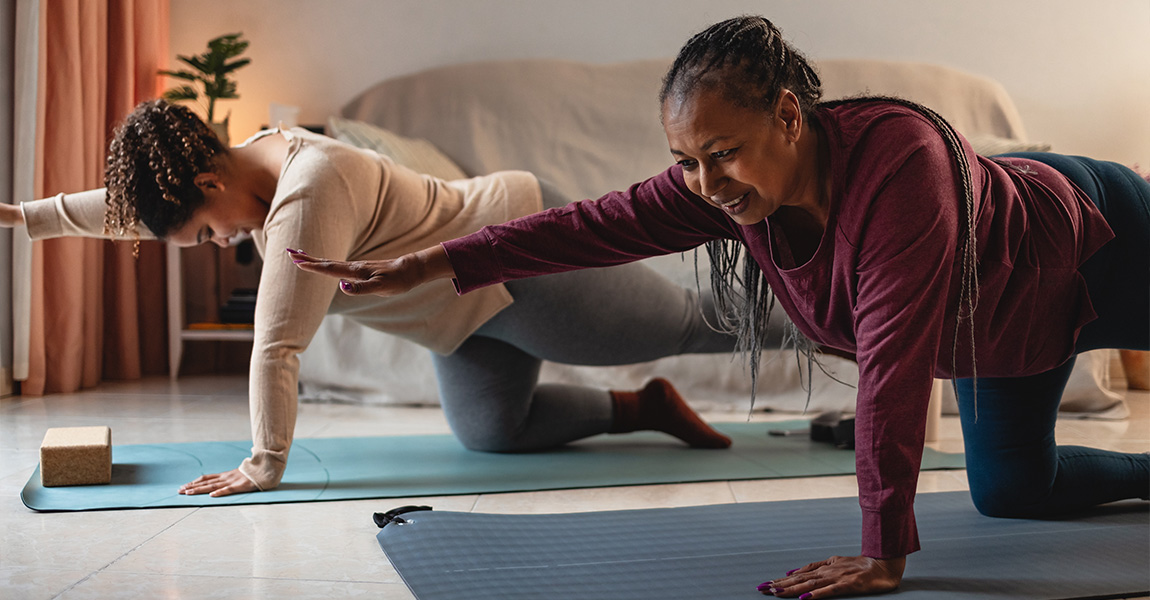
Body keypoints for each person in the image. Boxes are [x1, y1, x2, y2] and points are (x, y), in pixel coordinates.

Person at [293, 15, 1150, 599]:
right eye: (686, 160)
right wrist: (433, 262)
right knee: (1012, 491)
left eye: (722, 153)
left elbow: (892, 364)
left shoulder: (901, 167)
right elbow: (590, 226)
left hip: (1104, 239)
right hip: (1007, 320)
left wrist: (884, 550)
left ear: (787, 116)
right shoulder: (722, 187)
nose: (706, 184)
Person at [0, 99, 771, 499]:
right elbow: (134, 205)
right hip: (457, 316)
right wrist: (22, 219)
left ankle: (842, 318)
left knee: (701, 324)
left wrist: (265, 462)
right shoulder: (241, 168)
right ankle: (647, 408)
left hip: (517, 261)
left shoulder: (306, 192)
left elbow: (278, 345)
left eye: (206, 233)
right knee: (494, 433)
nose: (218, 244)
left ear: (209, 183)